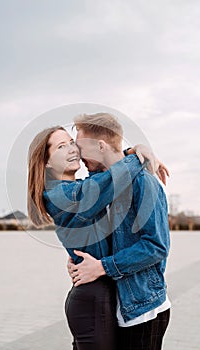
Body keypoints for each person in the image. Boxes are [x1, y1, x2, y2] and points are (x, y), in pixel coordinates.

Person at [27, 120, 168, 349]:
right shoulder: (62, 195)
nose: (73, 149)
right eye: (61, 146)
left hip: (108, 298)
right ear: (46, 162)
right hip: (92, 301)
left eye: (72, 142)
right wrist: (138, 155)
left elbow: (108, 174)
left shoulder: (89, 184)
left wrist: (132, 152)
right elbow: (111, 178)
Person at [68, 113, 171, 350]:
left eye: (81, 147)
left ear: (101, 146)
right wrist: (79, 260)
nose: (78, 155)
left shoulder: (144, 182)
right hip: (114, 305)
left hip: (143, 310)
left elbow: (156, 246)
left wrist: (102, 267)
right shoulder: (101, 184)